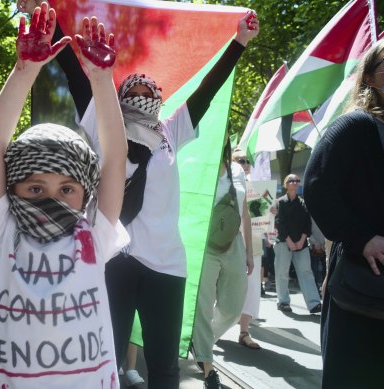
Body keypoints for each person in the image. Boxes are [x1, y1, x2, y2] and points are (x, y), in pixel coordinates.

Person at [16, 1, 258, 386]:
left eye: (151, 89)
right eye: (135, 87)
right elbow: (77, 74)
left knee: (163, 368)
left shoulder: (170, 132)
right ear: (121, 95)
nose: (143, 90)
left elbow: (207, 91)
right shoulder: (102, 120)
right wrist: (41, 11)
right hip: (113, 259)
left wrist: (239, 42)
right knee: (104, 361)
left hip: (165, 265)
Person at [0, 4, 129, 387]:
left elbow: (115, 160)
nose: (52, 198)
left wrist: (102, 81)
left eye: (67, 189)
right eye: (36, 188)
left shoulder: (93, 233)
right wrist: (25, 72)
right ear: (12, 188)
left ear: (85, 192)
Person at [303, 33, 384, 388]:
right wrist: (364, 239)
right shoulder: (354, 125)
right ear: (370, 77)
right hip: (364, 293)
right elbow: (316, 186)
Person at [192, 138, 253, 388]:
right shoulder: (198, 165)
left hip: (234, 243)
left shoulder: (238, 170)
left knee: (233, 306)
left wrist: (250, 251)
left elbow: (245, 211)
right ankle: (208, 367)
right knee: (203, 306)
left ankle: (200, 343)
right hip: (205, 244)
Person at [273, 174, 321, 314]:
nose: (294, 182)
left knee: (306, 272)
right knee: (282, 272)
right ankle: (283, 302)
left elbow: (307, 224)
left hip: (301, 244)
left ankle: (314, 303)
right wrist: (289, 240)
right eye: (291, 180)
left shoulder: (303, 203)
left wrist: (301, 241)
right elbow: (279, 223)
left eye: (297, 181)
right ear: (286, 184)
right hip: (283, 242)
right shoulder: (280, 202)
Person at [231, 149, 261, 350]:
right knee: (221, 287)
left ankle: (244, 332)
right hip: (228, 241)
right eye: (241, 160)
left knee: (251, 287)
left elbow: (259, 217)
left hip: (253, 242)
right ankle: (207, 331)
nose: (245, 163)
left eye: (247, 160)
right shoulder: (225, 182)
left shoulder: (256, 188)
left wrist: (271, 210)